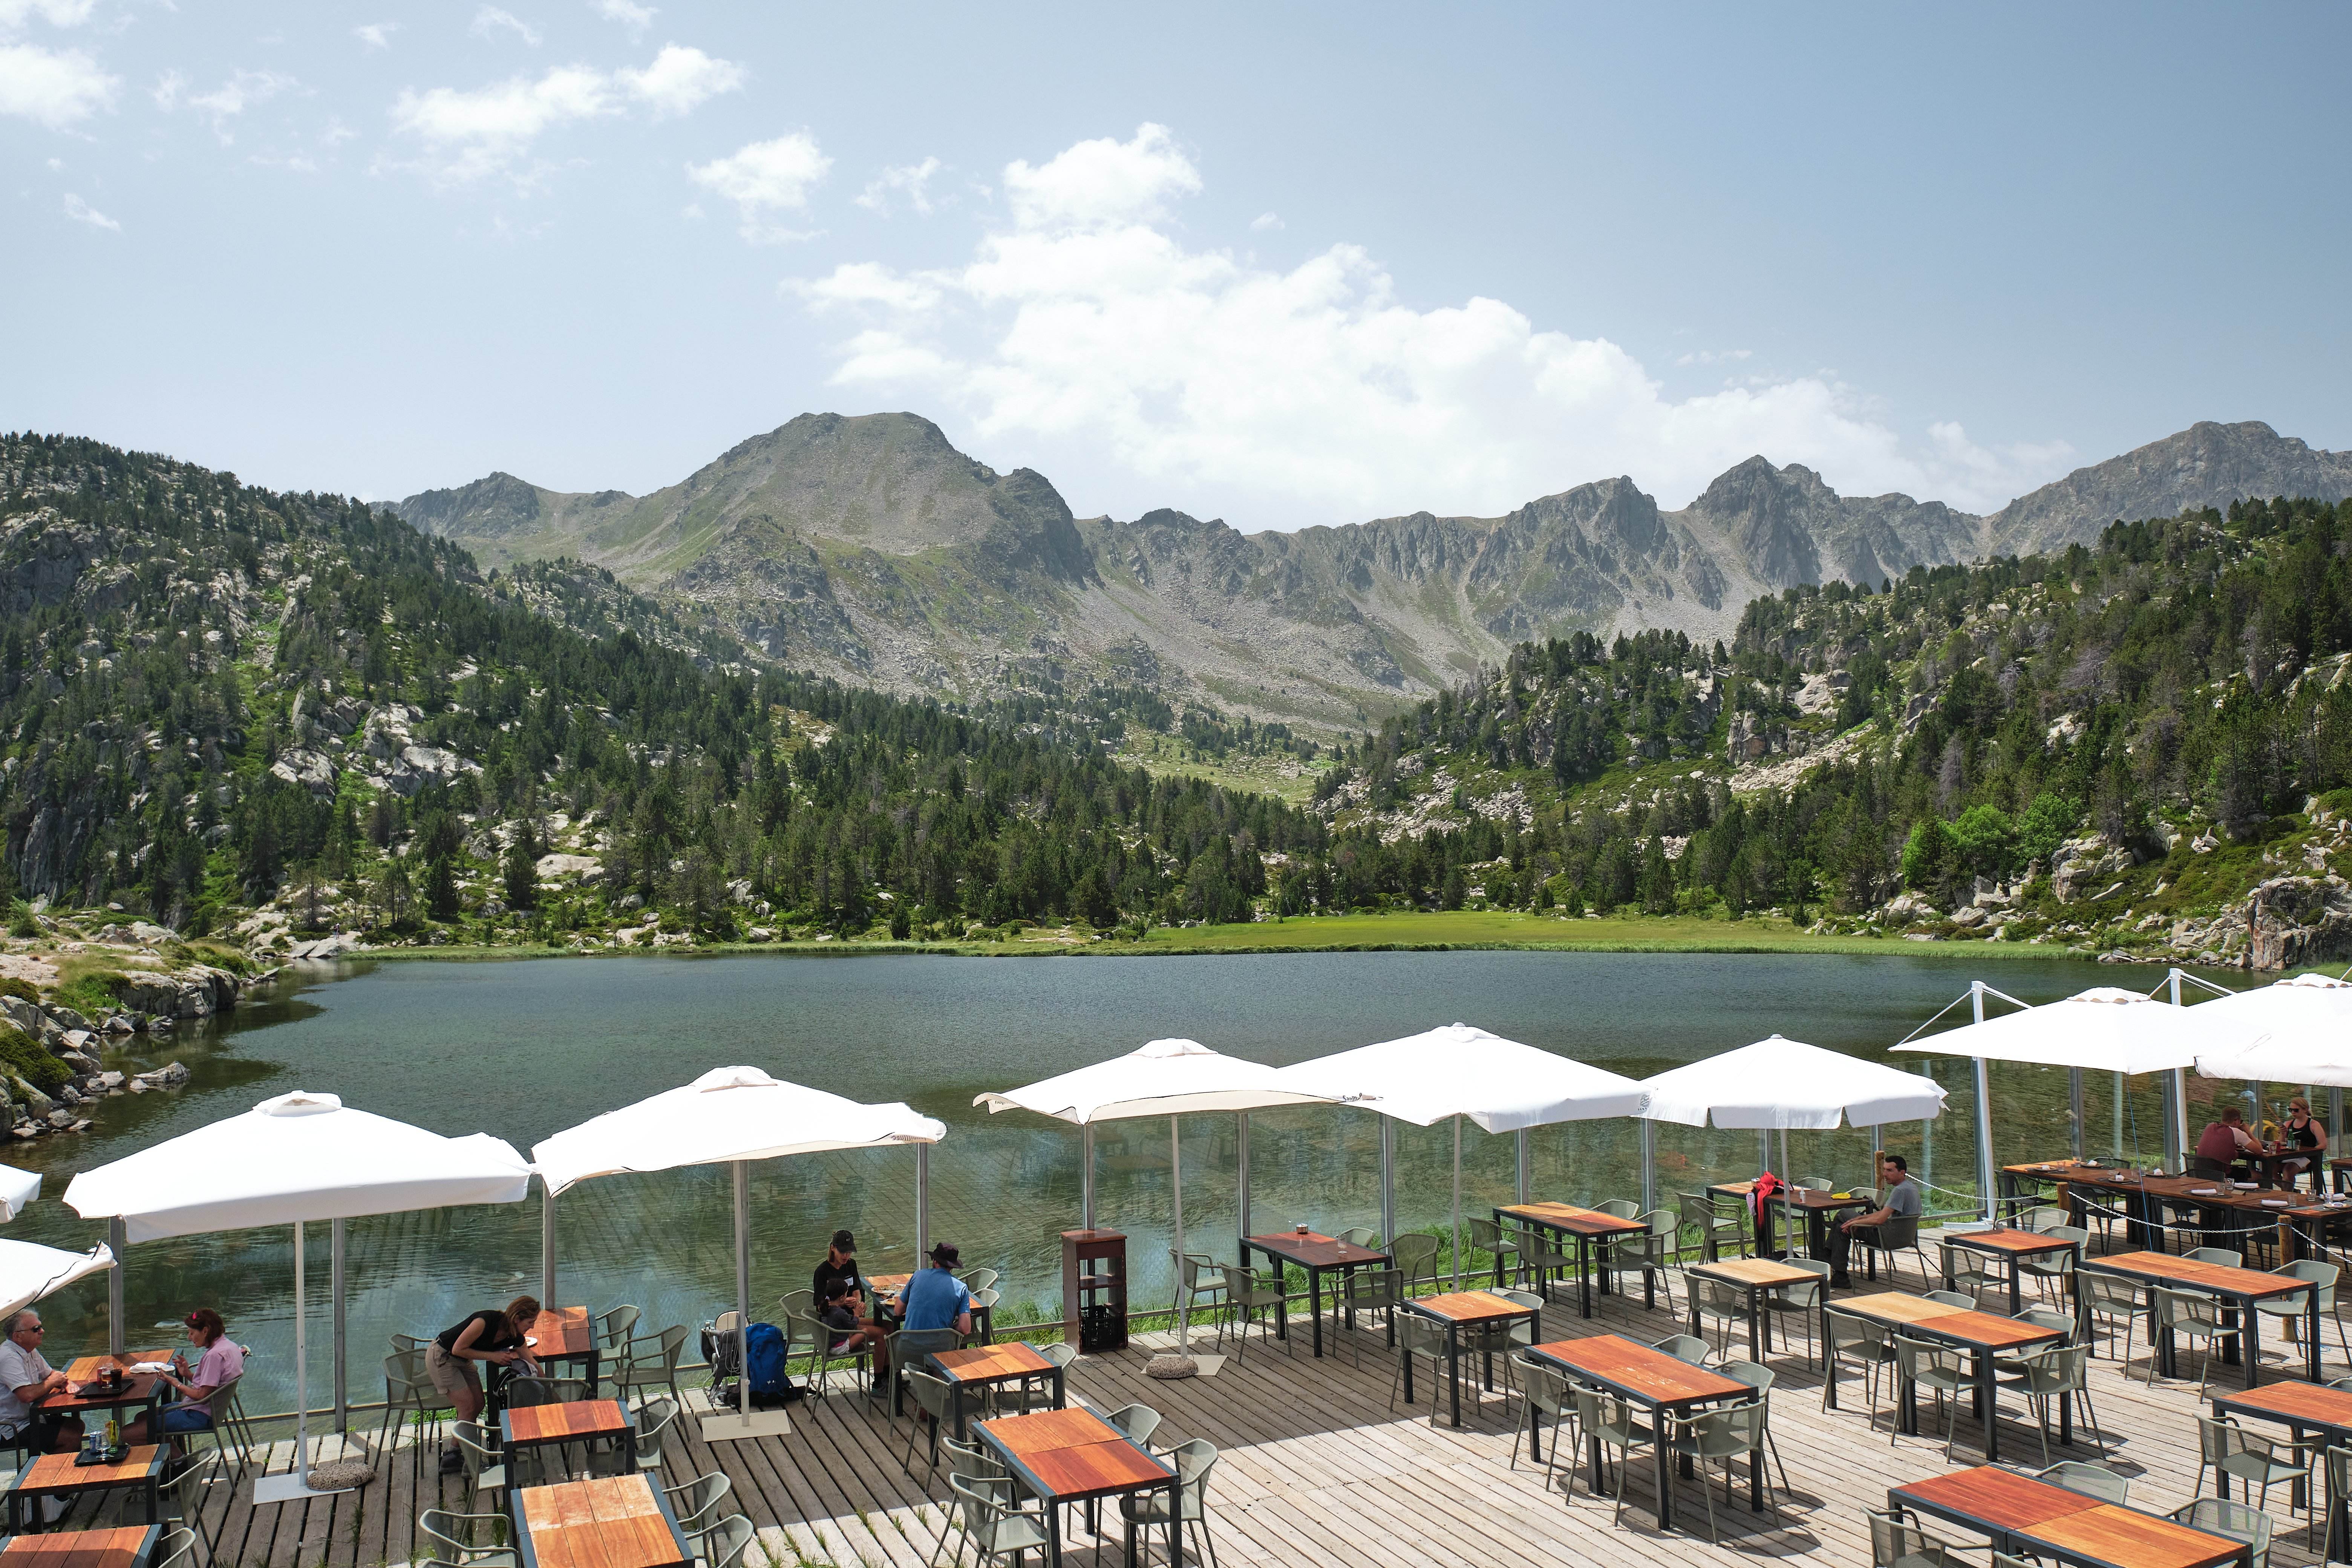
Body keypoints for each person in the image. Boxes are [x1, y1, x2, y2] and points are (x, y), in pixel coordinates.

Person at [427, 1295, 540, 1474]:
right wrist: (493, 1356)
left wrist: (545, 1381)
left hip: (464, 1361)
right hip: (444, 1357)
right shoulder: (486, 1321)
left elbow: (529, 1359)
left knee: (479, 1404)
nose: (532, 1326)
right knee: (467, 1406)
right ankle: (469, 1463)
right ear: (517, 1318)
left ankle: (452, 1455)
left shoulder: (515, 1336)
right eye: (530, 1322)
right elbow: (458, 1349)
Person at [125, 1308, 243, 1450]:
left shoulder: (214, 1356)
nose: (189, 1337)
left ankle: (174, 1464)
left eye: (192, 1333)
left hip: (198, 1415)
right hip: (208, 1410)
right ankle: (179, 1462)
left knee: (128, 1434)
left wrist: (175, 1382)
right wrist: (188, 1375)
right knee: (142, 1418)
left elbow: (201, 1395)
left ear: (205, 1331)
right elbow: (212, 1386)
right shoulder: (230, 1347)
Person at [1827, 1153, 1922, 1288]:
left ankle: (1829, 1258)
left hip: (1888, 1238)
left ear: (1902, 1173)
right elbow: (1882, 1215)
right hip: (1906, 1237)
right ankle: (1837, 1271)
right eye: (1884, 1170)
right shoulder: (1911, 1187)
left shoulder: (1900, 1191)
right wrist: (1857, 1220)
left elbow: (1880, 1219)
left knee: (1842, 1216)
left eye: (1890, 1171)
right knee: (1842, 1226)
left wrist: (1855, 1221)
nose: (1884, 1174)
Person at [0, 1309, 83, 1455]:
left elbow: (50, 1374)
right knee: (69, 1438)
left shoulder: (29, 1350)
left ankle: (50, 1470)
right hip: (10, 1427)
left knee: (77, 1426)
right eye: (36, 1329)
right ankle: (52, 1475)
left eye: (41, 1327)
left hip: (31, 1417)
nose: (42, 1331)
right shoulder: (8, 1357)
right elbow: (27, 1396)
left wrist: (65, 1382)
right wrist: (52, 1382)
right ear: (18, 1336)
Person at [900, 1243, 973, 1339]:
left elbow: (898, 1311)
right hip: (942, 1349)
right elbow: (965, 1329)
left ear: (935, 1262)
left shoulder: (917, 1276)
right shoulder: (962, 1288)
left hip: (909, 1348)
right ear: (952, 1267)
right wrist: (951, 1327)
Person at [2195, 1106, 2258, 1179]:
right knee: (2258, 1176)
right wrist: (2248, 1131)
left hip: (2200, 1174)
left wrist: (2233, 1153)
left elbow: (2217, 1147)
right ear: (2237, 1121)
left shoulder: (2210, 1126)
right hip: (2221, 1175)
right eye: (2241, 1122)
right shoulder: (2236, 1132)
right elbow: (2259, 1150)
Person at [2279, 1097, 2327, 1188]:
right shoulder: (2288, 1124)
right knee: (2270, 1169)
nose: (2293, 1112)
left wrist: (2308, 1152)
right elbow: (2281, 1144)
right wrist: (2283, 1133)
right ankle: (2290, 1192)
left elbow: (2324, 1145)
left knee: (2288, 1171)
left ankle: (2288, 1195)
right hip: (2290, 1156)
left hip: (2307, 1158)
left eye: (2296, 1110)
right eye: (2291, 1110)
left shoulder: (2313, 1124)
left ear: (2305, 1110)